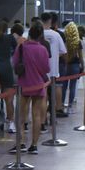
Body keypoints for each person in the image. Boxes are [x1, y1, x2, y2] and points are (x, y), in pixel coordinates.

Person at [10, 22, 50, 154]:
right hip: (38, 85)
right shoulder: (43, 49)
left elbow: (15, 63)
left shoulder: (21, 48)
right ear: (40, 35)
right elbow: (46, 69)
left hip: (24, 85)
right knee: (36, 115)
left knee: (21, 116)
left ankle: (20, 143)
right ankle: (34, 145)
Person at [40, 12, 65, 119]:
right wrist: (54, 56)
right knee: (56, 89)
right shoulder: (56, 35)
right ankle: (56, 111)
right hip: (54, 69)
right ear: (50, 21)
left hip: (41, 70)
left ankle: (43, 118)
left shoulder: (38, 34)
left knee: (43, 94)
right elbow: (63, 51)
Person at [0, 18, 16, 136]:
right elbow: (16, 50)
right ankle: (11, 122)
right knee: (9, 99)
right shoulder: (10, 38)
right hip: (7, 68)